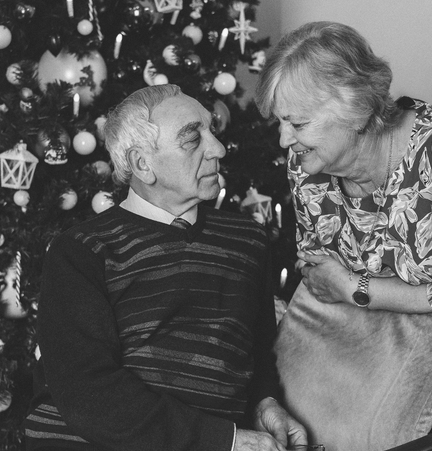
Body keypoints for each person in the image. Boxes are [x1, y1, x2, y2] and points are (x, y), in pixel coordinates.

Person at [254, 21, 432, 450]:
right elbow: (317, 270)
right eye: (280, 123)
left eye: (297, 123)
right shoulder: (308, 166)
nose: (284, 140)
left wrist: (355, 289)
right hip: (366, 352)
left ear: (353, 109)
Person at [23, 84, 308, 451]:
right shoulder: (81, 251)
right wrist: (226, 441)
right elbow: (87, 391)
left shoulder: (247, 241)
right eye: (192, 140)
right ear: (143, 164)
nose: (218, 149)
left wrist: (266, 404)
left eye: (212, 132)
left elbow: (257, 355)